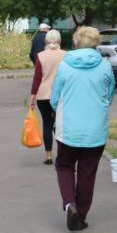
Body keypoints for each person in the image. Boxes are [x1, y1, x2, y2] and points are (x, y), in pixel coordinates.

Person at [49, 26, 116, 232]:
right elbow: (110, 96)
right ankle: (81, 215)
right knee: (87, 173)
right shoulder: (105, 66)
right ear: (96, 44)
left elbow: (54, 99)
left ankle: (70, 204)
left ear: (75, 43)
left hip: (68, 129)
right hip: (95, 130)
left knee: (64, 166)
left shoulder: (64, 66)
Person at [28, 29, 65, 165]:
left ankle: (48, 156)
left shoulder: (41, 56)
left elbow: (37, 79)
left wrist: (32, 99)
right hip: (60, 94)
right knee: (59, 124)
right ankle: (61, 154)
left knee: (47, 124)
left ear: (45, 41)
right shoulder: (66, 55)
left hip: (43, 95)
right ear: (60, 41)